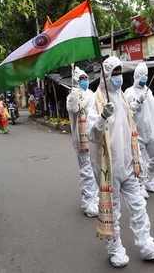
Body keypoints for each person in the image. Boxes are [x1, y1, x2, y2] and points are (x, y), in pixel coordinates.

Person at [87, 56, 154, 268]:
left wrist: (136, 160)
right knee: (113, 210)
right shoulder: (96, 101)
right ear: (105, 75)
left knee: (139, 205)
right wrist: (102, 118)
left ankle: (145, 244)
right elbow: (92, 134)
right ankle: (115, 249)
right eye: (113, 73)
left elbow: (128, 125)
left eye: (119, 72)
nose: (117, 77)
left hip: (128, 163)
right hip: (109, 167)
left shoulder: (122, 97)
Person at [124, 62, 154, 198]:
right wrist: (137, 102)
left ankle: (149, 181)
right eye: (141, 75)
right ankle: (139, 185)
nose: (144, 77)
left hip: (151, 132)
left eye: (146, 75)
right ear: (135, 76)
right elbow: (127, 112)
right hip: (137, 134)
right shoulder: (129, 92)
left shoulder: (149, 92)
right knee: (140, 162)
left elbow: (152, 112)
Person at [66, 67, 99, 218]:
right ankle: (88, 203)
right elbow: (74, 108)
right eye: (81, 79)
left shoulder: (92, 94)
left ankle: (95, 198)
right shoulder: (72, 96)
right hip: (82, 141)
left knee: (95, 169)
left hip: (94, 137)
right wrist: (77, 94)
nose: (85, 81)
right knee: (87, 172)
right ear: (76, 81)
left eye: (86, 78)